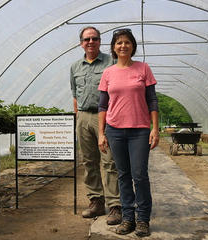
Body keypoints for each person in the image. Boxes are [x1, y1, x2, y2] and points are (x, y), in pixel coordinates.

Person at [97, 28, 159, 237]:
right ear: (113, 48)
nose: (123, 46)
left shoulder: (143, 68)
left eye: (127, 42)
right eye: (119, 43)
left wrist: (155, 129)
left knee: (140, 175)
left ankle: (142, 219)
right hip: (114, 130)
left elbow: (152, 100)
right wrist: (101, 133)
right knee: (123, 175)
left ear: (133, 46)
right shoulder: (108, 72)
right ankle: (128, 218)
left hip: (139, 130)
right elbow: (102, 106)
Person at [70, 26, 121, 225]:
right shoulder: (75, 67)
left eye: (94, 39)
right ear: (81, 43)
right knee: (89, 161)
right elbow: (75, 95)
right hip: (83, 116)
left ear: (100, 41)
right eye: (86, 39)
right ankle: (96, 202)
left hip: (106, 117)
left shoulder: (111, 62)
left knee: (110, 162)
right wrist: (78, 118)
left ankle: (115, 205)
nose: (90, 42)